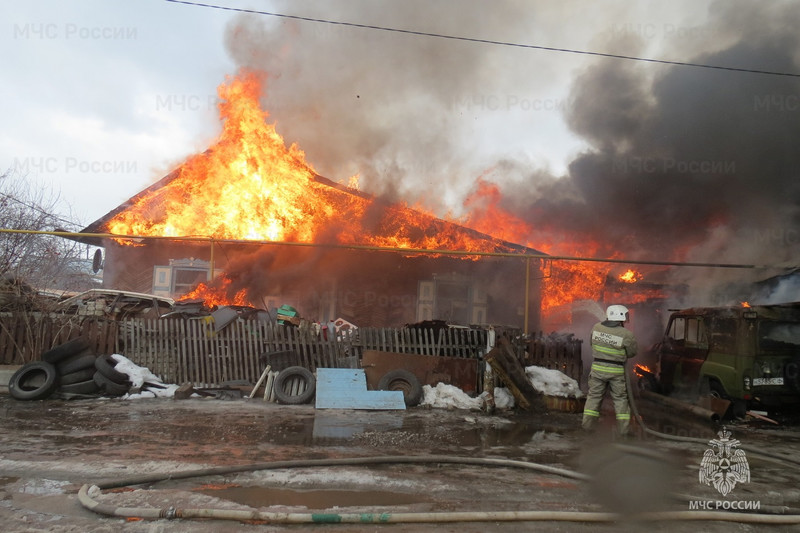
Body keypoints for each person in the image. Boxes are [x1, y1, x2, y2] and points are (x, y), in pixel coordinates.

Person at [582, 304, 638, 437]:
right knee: (620, 399)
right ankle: (624, 430)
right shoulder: (626, 334)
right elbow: (632, 352)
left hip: (597, 369)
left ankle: (587, 426)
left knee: (594, 397)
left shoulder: (596, 327)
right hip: (616, 371)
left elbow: (592, 343)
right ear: (620, 317)